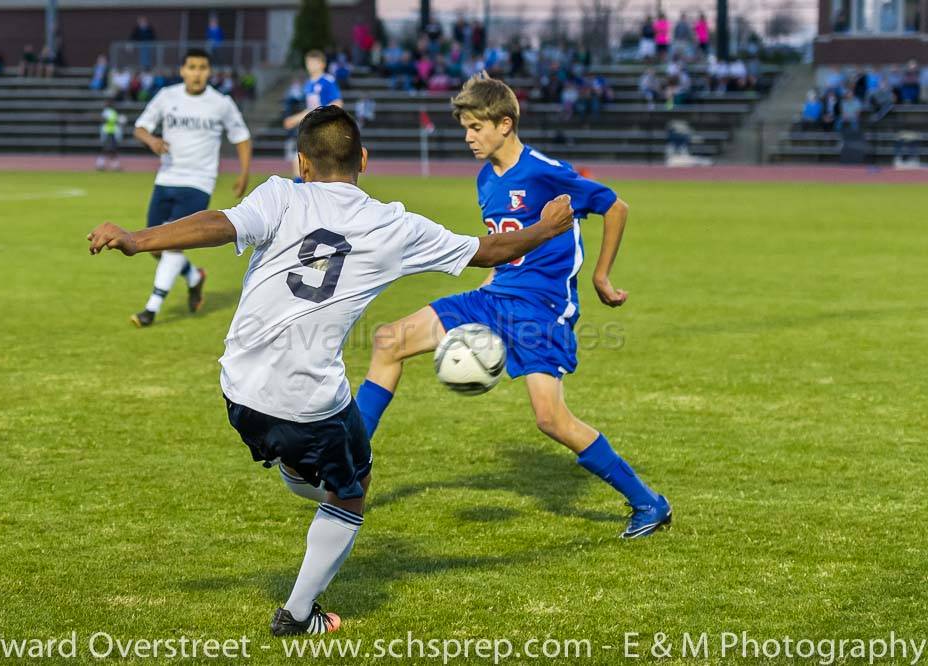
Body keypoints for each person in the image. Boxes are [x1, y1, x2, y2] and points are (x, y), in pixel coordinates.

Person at [87, 105, 578, 635]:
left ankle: (294, 464)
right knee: (352, 487)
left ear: (302, 162)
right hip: (306, 400)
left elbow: (216, 224)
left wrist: (138, 239)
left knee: (313, 456)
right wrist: (547, 228)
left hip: (237, 388)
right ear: (363, 159)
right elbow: (490, 251)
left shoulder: (279, 195)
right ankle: (298, 616)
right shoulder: (394, 224)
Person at [354, 74, 672, 540]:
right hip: (495, 295)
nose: (468, 137)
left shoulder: (544, 171)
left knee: (550, 419)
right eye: (464, 127)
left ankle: (649, 503)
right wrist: (488, 285)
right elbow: (507, 248)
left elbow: (616, 206)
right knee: (388, 341)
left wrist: (601, 276)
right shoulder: (486, 178)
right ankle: (348, 468)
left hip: (542, 309)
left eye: (475, 127)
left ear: (505, 124)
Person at [128, 48, 252, 327]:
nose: (197, 73)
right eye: (192, 67)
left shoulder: (221, 103)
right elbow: (140, 127)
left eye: (202, 67)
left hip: (199, 182)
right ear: (182, 70)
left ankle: (151, 309)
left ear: (209, 72)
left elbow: (242, 137)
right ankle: (195, 277)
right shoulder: (167, 96)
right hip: (166, 179)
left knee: (172, 246)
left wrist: (244, 173)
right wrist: (152, 141)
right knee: (155, 248)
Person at [283, 50, 343, 180]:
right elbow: (311, 109)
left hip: (325, 129)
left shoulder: (327, 81)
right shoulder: (309, 84)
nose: (310, 65)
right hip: (312, 129)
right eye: (308, 63)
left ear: (322, 64)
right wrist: (295, 119)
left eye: (313, 63)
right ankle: (301, 193)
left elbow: (338, 103)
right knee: (299, 162)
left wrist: (321, 113)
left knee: (317, 166)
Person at [96, 100, 124, 171]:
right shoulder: (107, 111)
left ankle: (110, 165)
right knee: (108, 149)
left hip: (112, 132)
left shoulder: (112, 112)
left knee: (111, 149)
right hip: (108, 132)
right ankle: (102, 164)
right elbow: (103, 119)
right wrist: (116, 121)